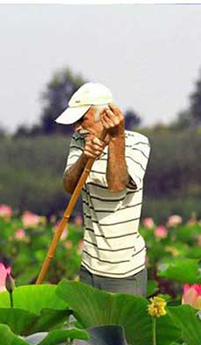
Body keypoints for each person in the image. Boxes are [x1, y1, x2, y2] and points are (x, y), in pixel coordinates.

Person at [58, 82, 150, 297]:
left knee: (126, 332)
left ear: (106, 115)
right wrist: (85, 157)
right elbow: (69, 186)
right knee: (89, 331)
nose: (77, 127)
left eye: (82, 120)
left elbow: (117, 185)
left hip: (125, 271)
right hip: (89, 267)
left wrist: (116, 139)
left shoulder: (138, 143)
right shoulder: (79, 141)